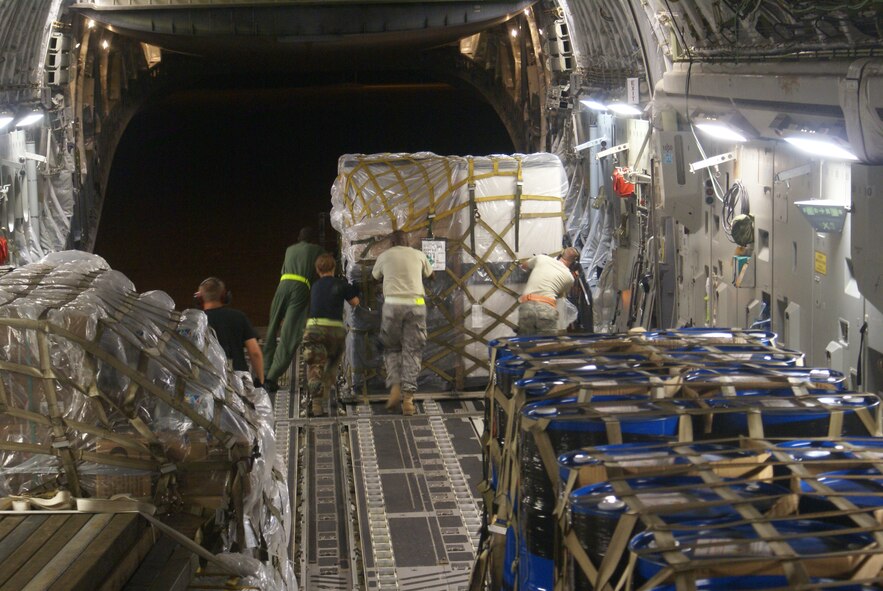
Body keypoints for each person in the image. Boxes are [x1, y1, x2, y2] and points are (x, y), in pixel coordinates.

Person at [372, 230, 433, 415]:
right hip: (416, 305)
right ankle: (408, 400)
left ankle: (394, 388)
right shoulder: (419, 255)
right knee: (412, 351)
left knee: (391, 348)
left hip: (392, 305)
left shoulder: (384, 255)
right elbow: (430, 274)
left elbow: (375, 276)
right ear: (408, 241)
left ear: (391, 243)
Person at [263, 227, 324, 392]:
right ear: (313, 240)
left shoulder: (290, 249)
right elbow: (323, 269)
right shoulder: (317, 249)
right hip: (300, 288)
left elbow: (283, 270)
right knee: (290, 334)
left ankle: (265, 371)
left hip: (282, 285)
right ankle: (272, 377)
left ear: (298, 238)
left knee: (272, 328)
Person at [302, 253, 360, 417]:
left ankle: (317, 404)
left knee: (315, 366)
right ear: (334, 268)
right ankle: (326, 392)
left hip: (314, 329)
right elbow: (355, 303)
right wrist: (354, 287)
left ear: (317, 270)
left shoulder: (314, 286)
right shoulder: (340, 284)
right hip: (334, 331)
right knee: (332, 364)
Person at [196, 277, 264, 386]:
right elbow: (255, 353)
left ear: (199, 298)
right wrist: (260, 381)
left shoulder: (196, 321)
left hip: (208, 382)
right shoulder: (239, 317)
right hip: (238, 381)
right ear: (224, 296)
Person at [517, 247, 579, 335]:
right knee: (547, 344)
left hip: (527, 306)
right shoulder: (569, 278)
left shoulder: (541, 258)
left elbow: (524, 266)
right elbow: (560, 295)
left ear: (560, 255)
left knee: (525, 343)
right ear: (573, 263)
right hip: (546, 308)